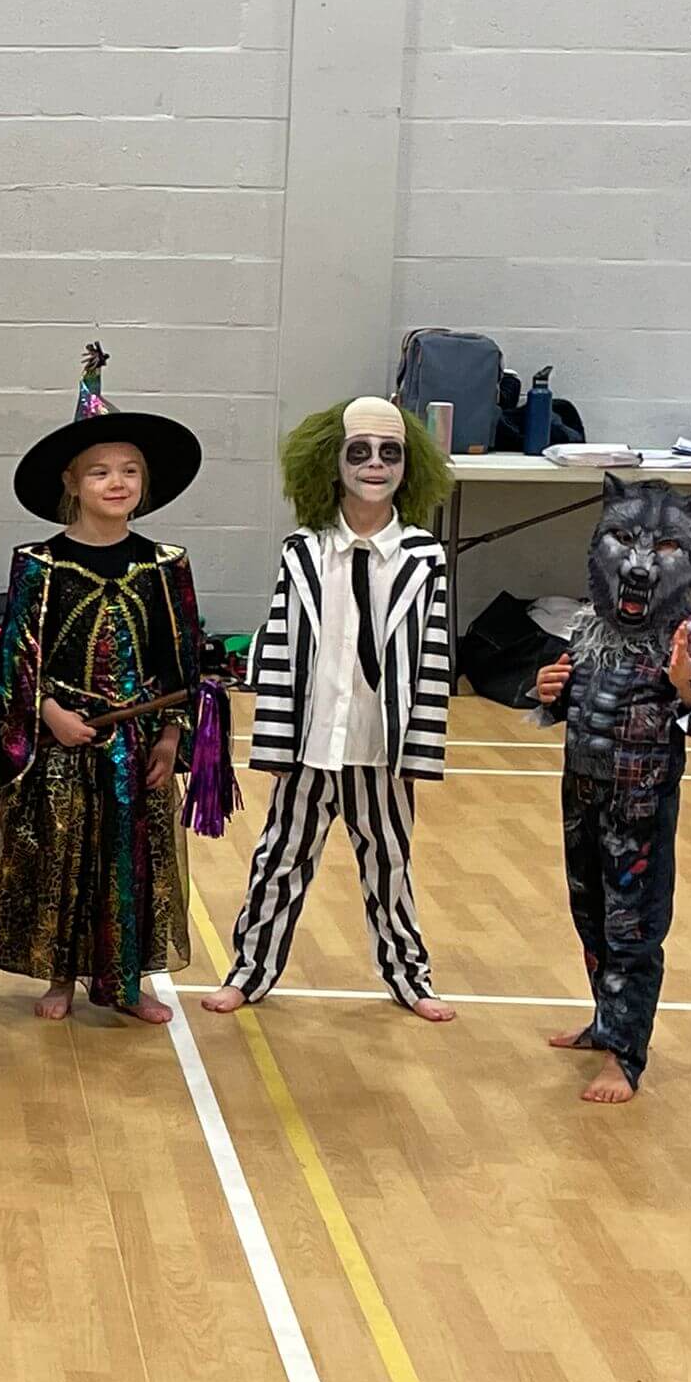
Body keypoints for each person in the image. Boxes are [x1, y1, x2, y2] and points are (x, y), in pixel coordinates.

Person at [201, 398, 458, 1022]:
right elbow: (283, 650)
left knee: (390, 865)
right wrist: (276, 746)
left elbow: (431, 663)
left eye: (390, 452)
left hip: (381, 747)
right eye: (359, 451)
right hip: (312, 743)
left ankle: (409, 977)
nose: (375, 464)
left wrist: (417, 754)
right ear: (332, 463)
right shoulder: (303, 552)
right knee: (279, 860)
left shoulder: (425, 559)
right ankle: (250, 971)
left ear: (409, 465)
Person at [0, 344, 205, 1024]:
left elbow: (183, 662)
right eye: (100, 470)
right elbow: (16, 657)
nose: (117, 481)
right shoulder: (39, 565)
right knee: (59, 861)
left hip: (133, 748)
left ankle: (124, 983)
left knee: (127, 863)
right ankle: (59, 976)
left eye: (130, 470)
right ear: (71, 482)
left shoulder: (165, 565)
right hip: (61, 744)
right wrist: (47, 714)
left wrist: (169, 736)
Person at [535, 476, 691, 1103]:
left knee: (633, 931)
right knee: (588, 917)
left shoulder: (689, 634)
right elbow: (576, 705)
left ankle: (627, 1055)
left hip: (639, 810)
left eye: (663, 548)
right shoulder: (588, 625)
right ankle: (604, 1022)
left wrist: (687, 683)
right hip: (581, 797)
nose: (640, 563)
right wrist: (549, 691)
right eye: (623, 540)